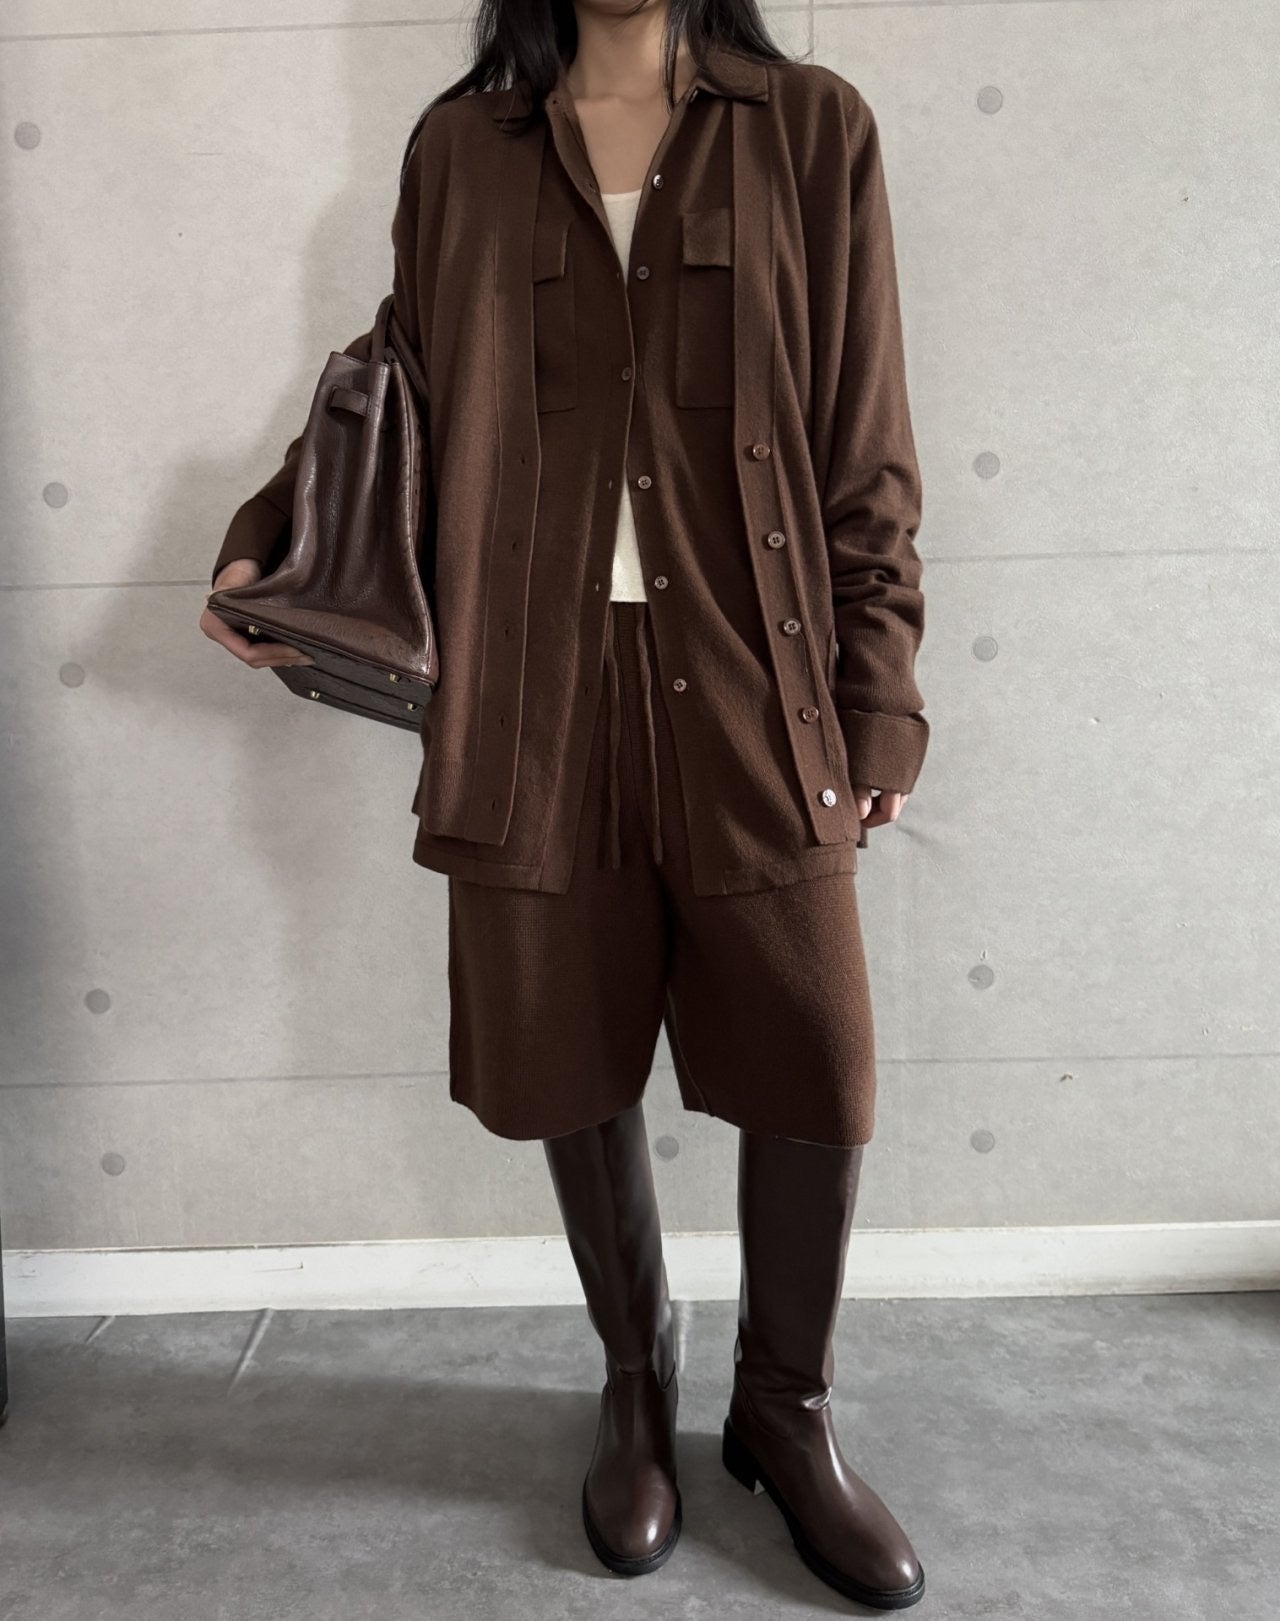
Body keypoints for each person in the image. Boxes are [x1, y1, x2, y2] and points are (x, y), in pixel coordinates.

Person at [200, 0, 930, 1608]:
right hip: (531, 686)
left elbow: (864, 435)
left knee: (817, 1057)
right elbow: (396, 381)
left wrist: (877, 694)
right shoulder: (460, 148)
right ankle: (636, 1378)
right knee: (566, 1040)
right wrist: (272, 539)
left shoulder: (811, 127)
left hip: (751, 674)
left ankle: (786, 1412)